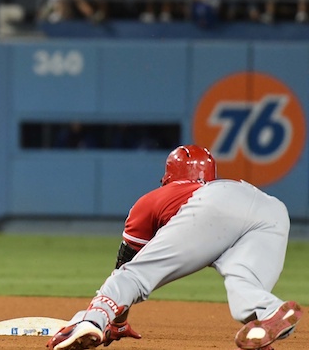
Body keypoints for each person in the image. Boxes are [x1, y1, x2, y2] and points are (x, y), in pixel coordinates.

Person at [47, 144, 303, 350]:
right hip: (271, 208)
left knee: (131, 276)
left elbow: (127, 265)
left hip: (215, 204)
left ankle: (90, 321)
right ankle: (268, 314)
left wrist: (114, 321)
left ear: (169, 175)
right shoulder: (217, 185)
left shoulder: (158, 197)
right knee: (243, 284)